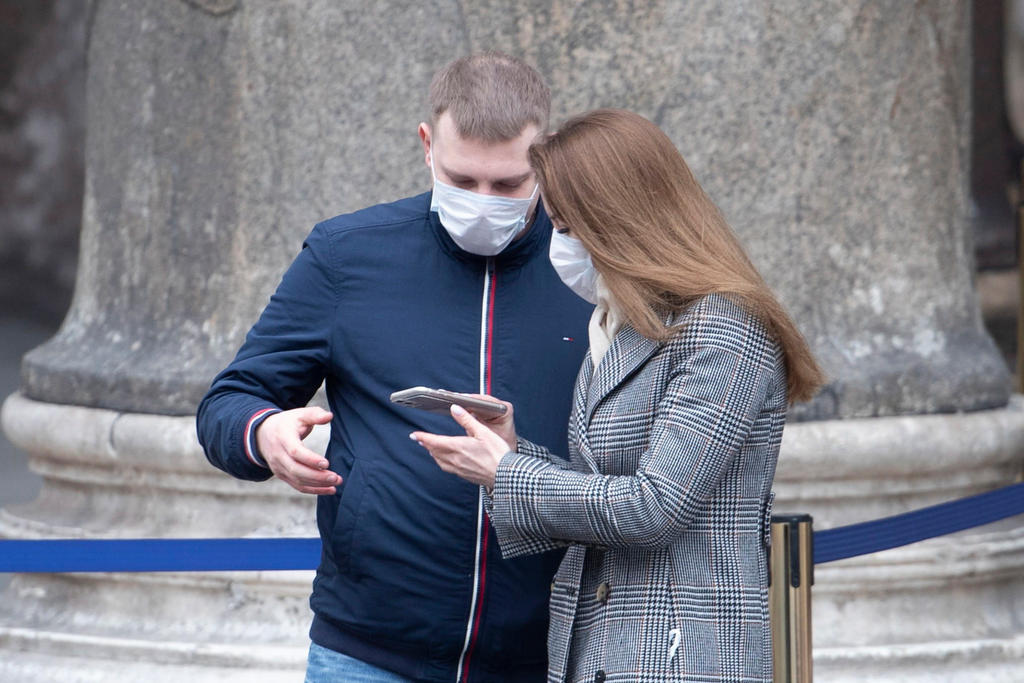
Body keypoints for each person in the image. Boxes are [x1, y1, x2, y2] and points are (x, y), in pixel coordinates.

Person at [196, 53, 593, 682]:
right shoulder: (346, 255)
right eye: (462, 180)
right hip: (368, 650)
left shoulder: (594, 262)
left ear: (545, 156)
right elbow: (230, 400)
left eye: (508, 185)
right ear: (427, 146)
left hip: (552, 652)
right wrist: (263, 432)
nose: (482, 203)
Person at [412, 109, 825, 683]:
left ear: (619, 221)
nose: (559, 245)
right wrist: (512, 453)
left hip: (684, 656)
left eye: (567, 228)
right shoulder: (622, 324)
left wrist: (507, 473)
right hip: (609, 649)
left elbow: (653, 508)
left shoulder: (723, 329)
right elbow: (605, 485)